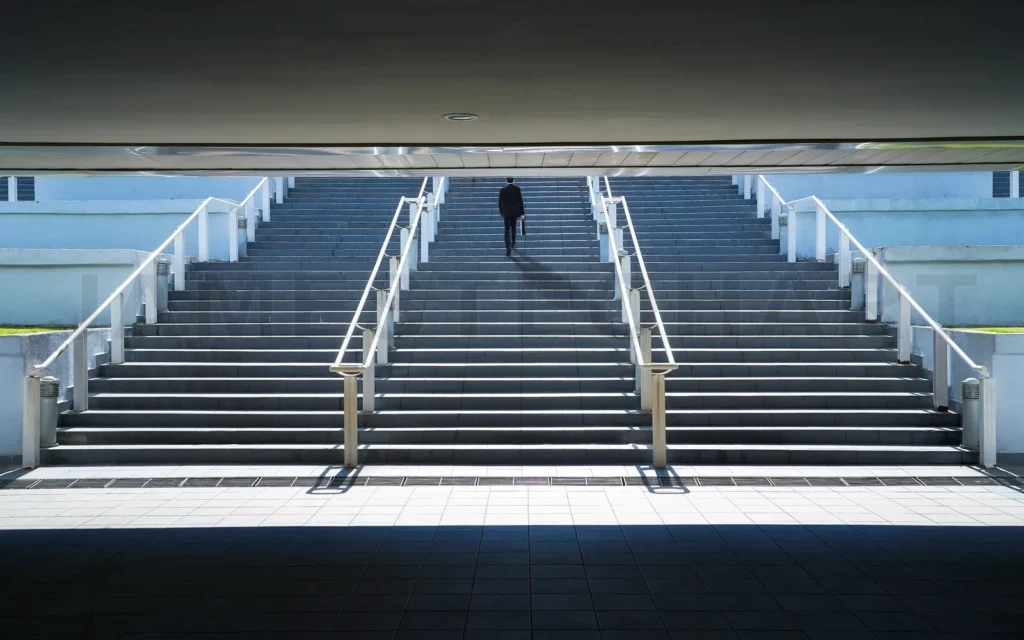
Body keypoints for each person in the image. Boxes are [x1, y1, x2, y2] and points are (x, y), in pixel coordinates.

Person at [498, 177, 525, 257]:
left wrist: (502, 212)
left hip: (506, 213)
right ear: (514, 181)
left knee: (507, 230)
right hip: (515, 213)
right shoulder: (517, 189)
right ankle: (513, 243)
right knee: (513, 228)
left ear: (506, 181)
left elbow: (500, 203)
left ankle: (508, 248)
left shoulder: (503, 190)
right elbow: (520, 202)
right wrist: (522, 213)